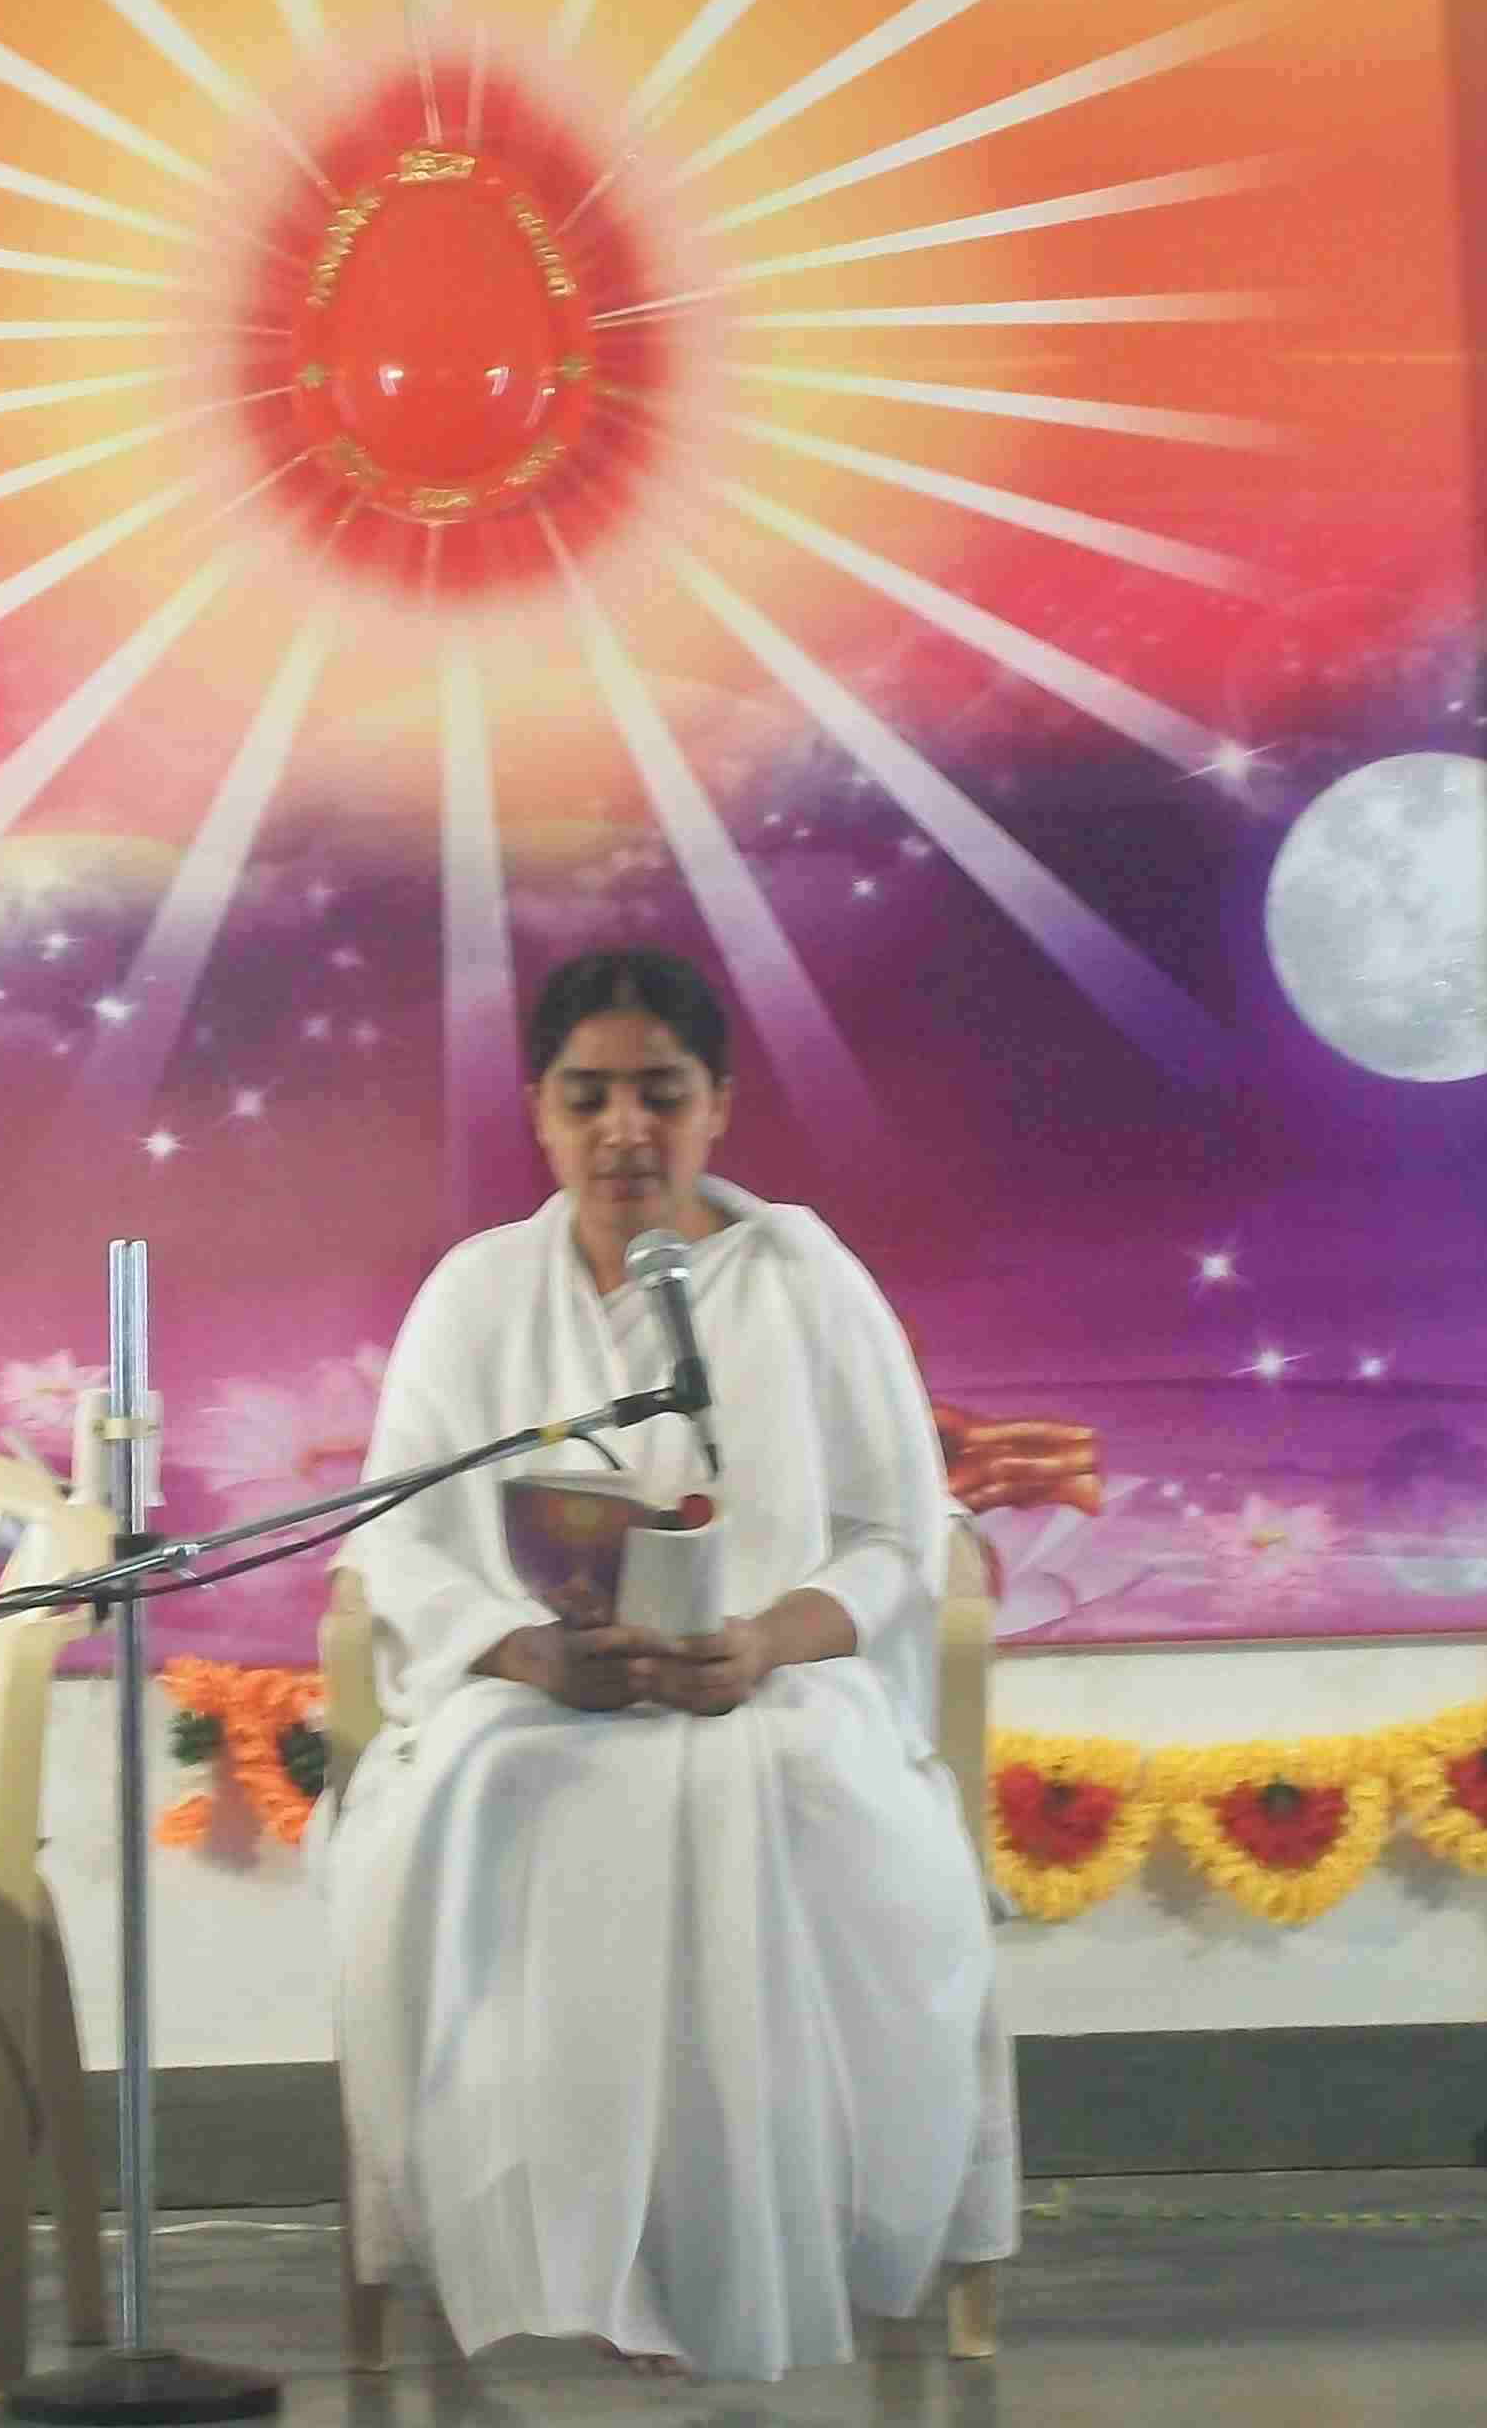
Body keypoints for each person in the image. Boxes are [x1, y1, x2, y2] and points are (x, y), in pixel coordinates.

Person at [314, 947, 1021, 2382]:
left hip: (767, 1683)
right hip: (536, 1694)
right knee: (476, 1786)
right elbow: (401, 1539)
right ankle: (565, 2256)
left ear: (718, 1106)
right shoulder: (477, 1291)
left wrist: (764, 1639)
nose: (624, 1129)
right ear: (538, 1110)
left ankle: (735, 2259)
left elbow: (897, 1538)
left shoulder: (806, 1279)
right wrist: (528, 1652)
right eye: (588, 1097)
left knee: (793, 1784)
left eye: (661, 1093)